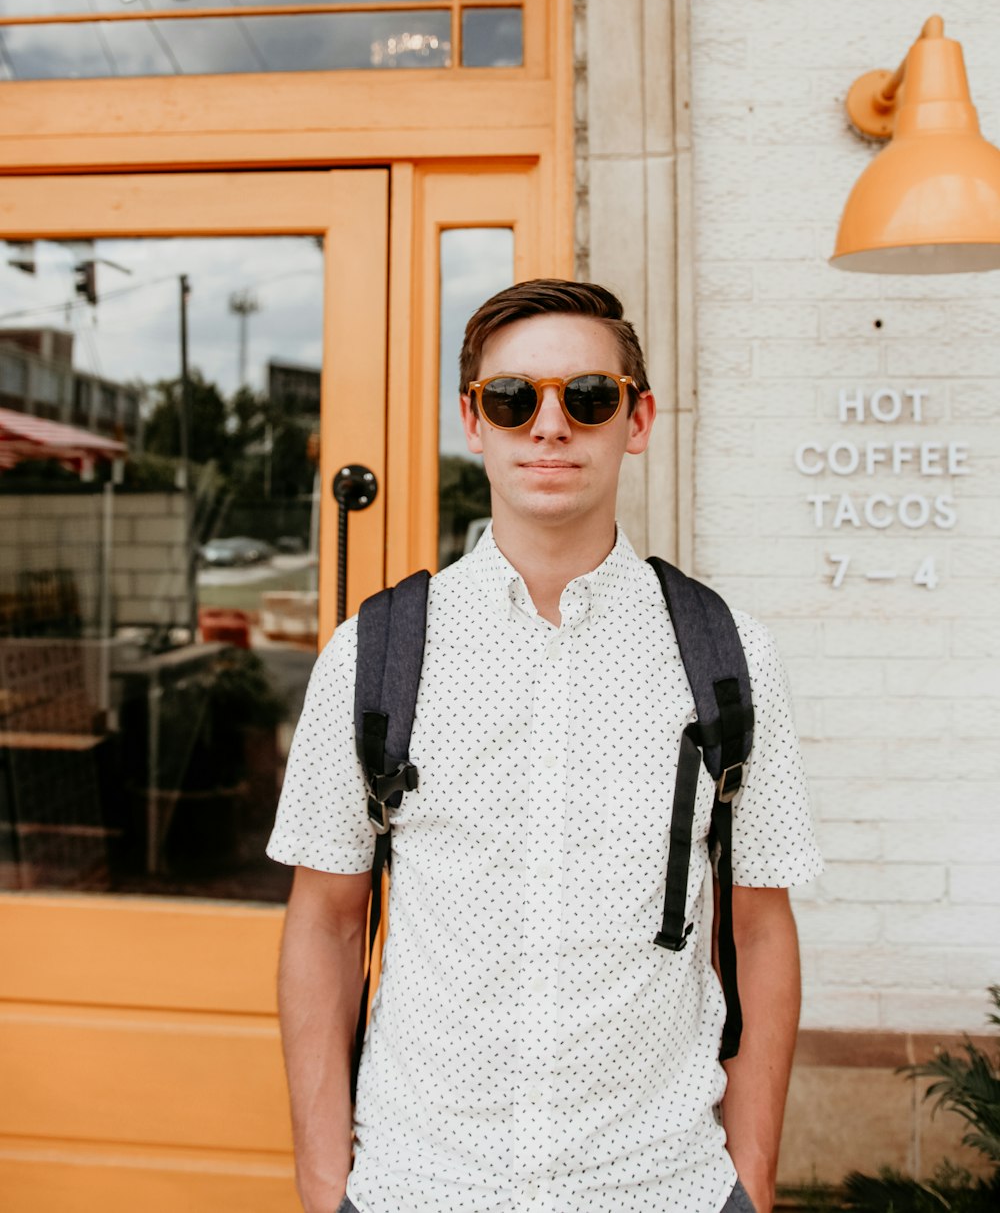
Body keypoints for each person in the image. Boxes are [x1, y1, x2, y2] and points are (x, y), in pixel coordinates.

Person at [268, 278, 823, 1213]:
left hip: (663, 1187)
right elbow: (325, 921)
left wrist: (753, 1180)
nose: (550, 426)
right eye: (514, 398)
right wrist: (326, 1188)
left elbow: (762, 931)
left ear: (635, 420)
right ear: (472, 422)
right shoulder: (376, 652)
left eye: (589, 397)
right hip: (419, 1185)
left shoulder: (727, 654)